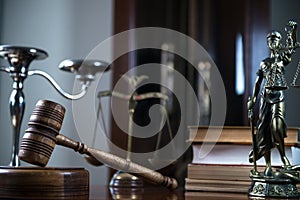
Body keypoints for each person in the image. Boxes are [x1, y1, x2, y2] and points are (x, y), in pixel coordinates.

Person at [247, 21, 299, 176]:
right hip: (265, 97)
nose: (272, 42)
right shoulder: (264, 63)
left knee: (276, 127)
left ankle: (283, 158)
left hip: (278, 96)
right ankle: (268, 165)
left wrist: (293, 30)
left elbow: (292, 46)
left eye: (275, 40)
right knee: (264, 131)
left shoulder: (282, 59)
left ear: (279, 42)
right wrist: (253, 99)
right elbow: (258, 82)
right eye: (270, 40)